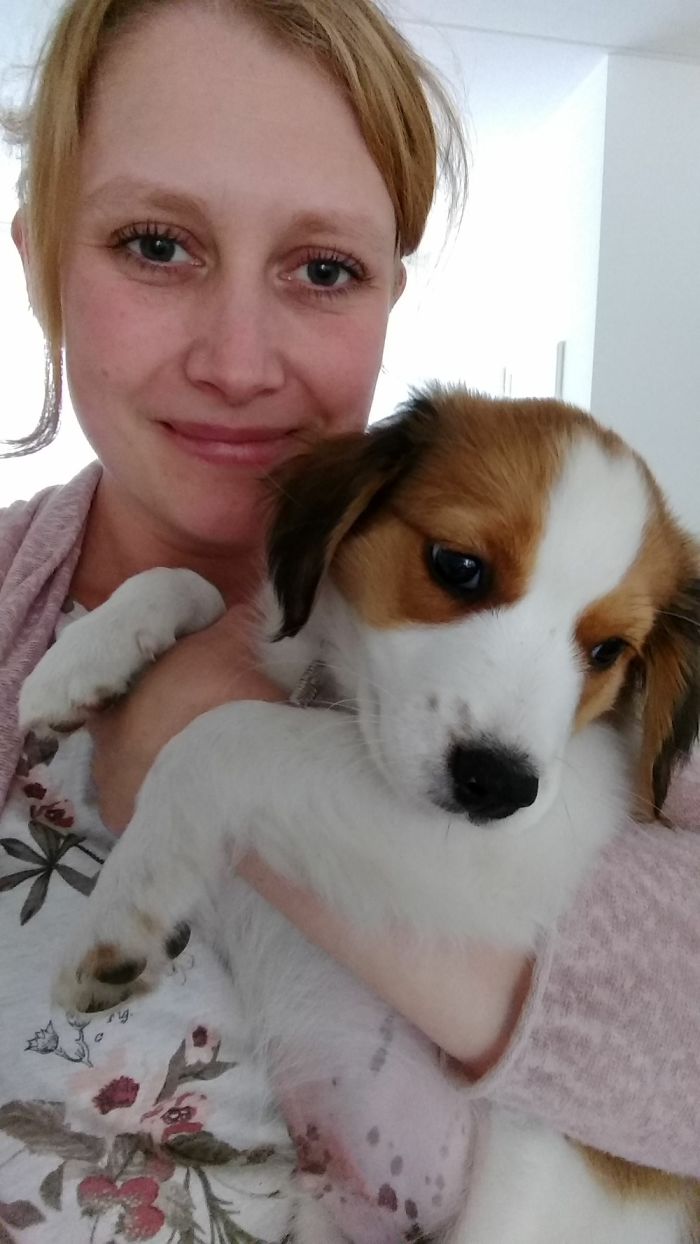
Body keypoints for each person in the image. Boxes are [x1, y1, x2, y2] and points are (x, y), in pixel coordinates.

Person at [0, 0, 698, 1240]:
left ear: (388, 290)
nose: (238, 357)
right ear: (37, 249)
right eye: (155, 244)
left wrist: (215, 754)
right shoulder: (35, 606)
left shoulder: (627, 688)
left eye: (324, 269)